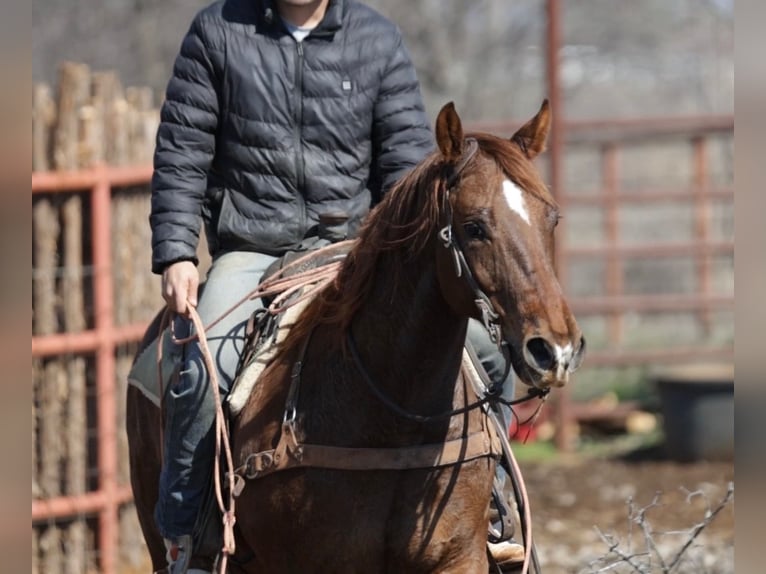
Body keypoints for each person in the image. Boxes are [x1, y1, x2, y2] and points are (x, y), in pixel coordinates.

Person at [146, 0, 520, 571]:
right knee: (200, 364)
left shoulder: (376, 39)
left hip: (360, 248)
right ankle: (188, 535)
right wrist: (176, 252)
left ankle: (490, 509)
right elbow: (182, 150)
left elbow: (405, 169)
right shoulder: (218, 32)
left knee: (489, 355)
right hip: (253, 249)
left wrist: (402, 255)